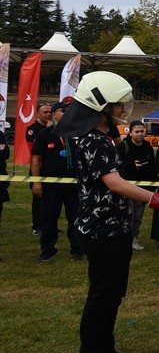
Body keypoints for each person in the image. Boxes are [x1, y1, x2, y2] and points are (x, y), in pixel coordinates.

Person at [56, 72, 159, 353]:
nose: (122, 110)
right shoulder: (95, 141)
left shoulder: (102, 138)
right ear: (101, 107)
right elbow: (114, 182)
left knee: (113, 292)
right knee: (103, 293)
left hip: (112, 226)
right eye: (117, 105)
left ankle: (105, 350)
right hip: (102, 228)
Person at [31, 101, 83, 261]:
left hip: (74, 185)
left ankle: (77, 248)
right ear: (53, 114)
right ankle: (48, 249)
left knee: (75, 217)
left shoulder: (78, 133)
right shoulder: (45, 134)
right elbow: (36, 159)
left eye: (69, 110)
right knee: (49, 217)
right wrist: (37, 182)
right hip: (52, 185)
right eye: (62, 110)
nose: (67, 113)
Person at [118, 120, 157, 250]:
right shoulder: (123, 147)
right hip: (126, 187)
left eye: (142, 131)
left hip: (142, 188)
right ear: (130, 133)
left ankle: (134, 238)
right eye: (137, 131)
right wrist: (131, 166)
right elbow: (116, 166)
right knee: (128, 215)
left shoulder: (147, 147)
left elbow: (152, 167)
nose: (140, 134)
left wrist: (151, 188)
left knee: (138, 216)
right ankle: (124, 239)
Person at [26, 102, 53, 235]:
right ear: (38, 114)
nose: (48, 114)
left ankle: (49, 225)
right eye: (45, 112)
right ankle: (37, 226)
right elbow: (36, 146)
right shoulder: (32, 129)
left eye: (50, 112)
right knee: (38, 199)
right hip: (38, 168)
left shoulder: (55, 128)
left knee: (51, 199)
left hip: (50, 169)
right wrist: (46, 130)